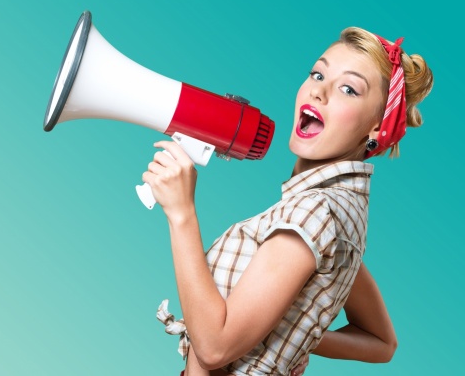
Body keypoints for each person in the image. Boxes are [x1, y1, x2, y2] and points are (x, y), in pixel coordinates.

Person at [144, 27, 433, 375]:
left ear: (376, 128)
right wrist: (287, 333)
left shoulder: (313, 213)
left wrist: (181, 214)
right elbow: (381, 342)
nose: (319, 90)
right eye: (318, 73)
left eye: (348, 89)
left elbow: (215, 347)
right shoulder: (341, 213)